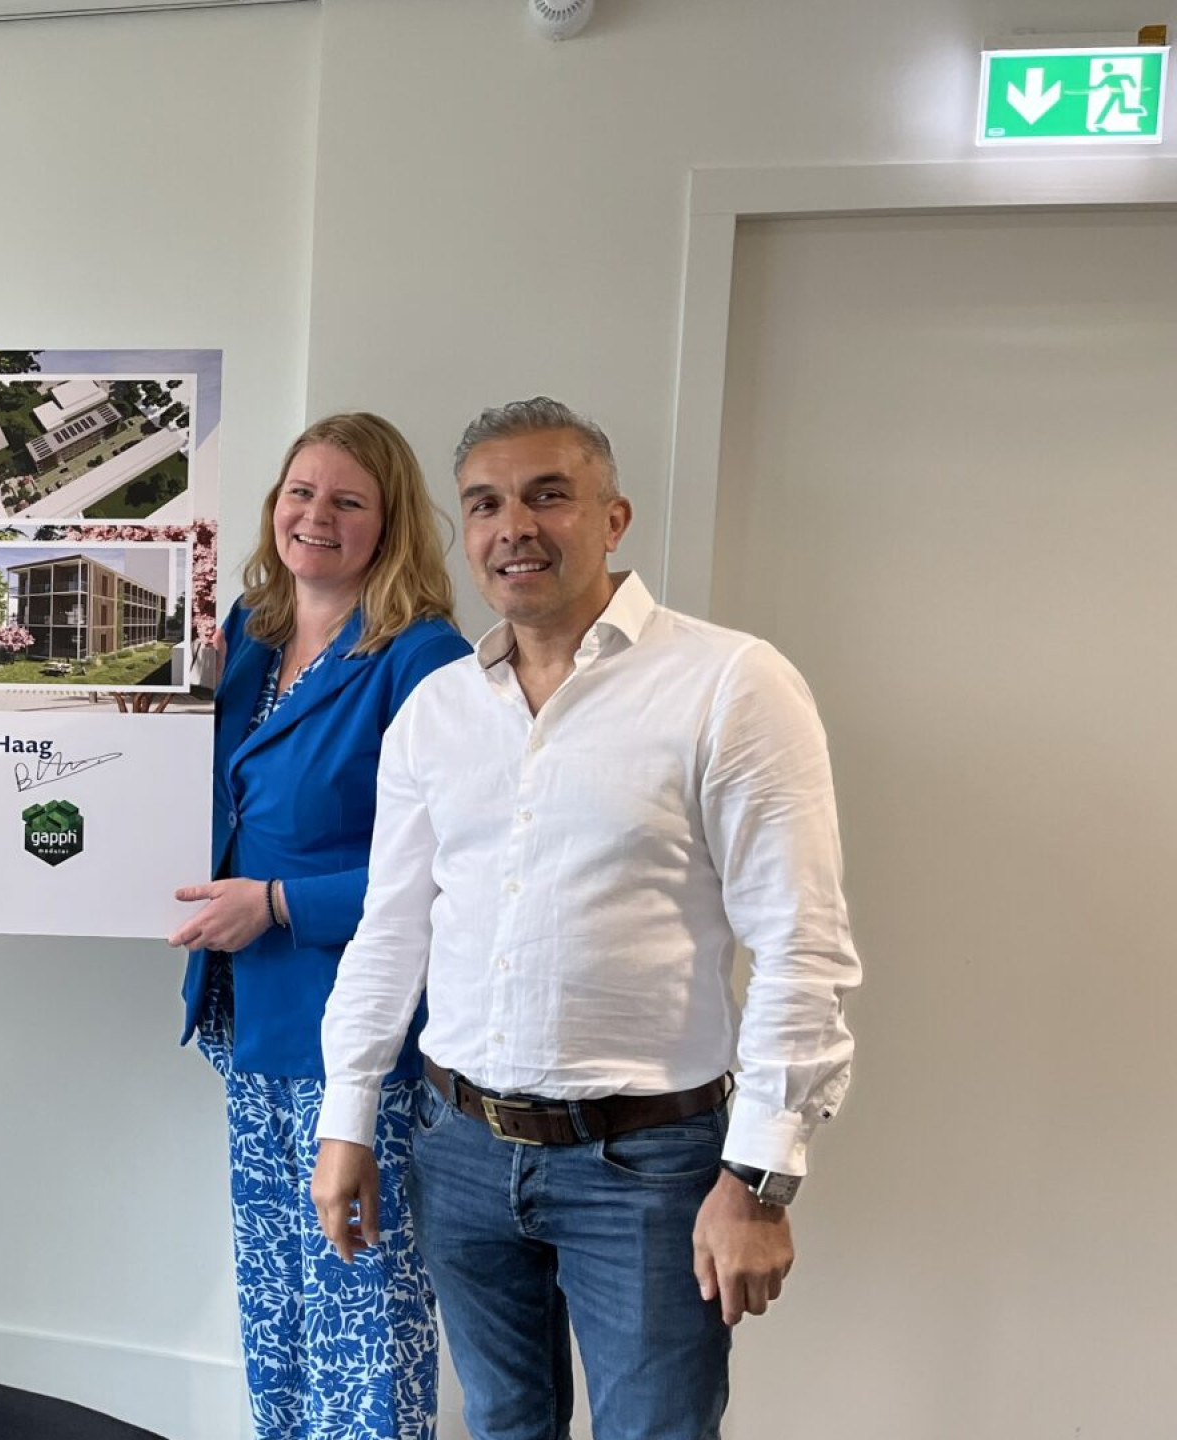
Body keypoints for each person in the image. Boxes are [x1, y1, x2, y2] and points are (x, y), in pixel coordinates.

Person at [310, 398, 861, 1440]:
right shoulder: (438, 710)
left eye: (547, 496)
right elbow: (392, 930)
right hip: (459, 1151)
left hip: (647, 1168)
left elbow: (801, 942)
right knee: (503, 1427)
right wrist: (347, 1118)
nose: (513, 527)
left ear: (613, 519)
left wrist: (758, 1178)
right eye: (485, 504)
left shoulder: (729, 684)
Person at [167, 413, 470, 1440]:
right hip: (246, 1012)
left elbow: (449, 864)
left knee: (361, 1307)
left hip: (357, 1033)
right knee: (278, 1302)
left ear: (390, 523)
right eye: (301, 492)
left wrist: (277, 903)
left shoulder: (424, 659)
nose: (315, 516)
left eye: (347, 500)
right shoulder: (246, 637)